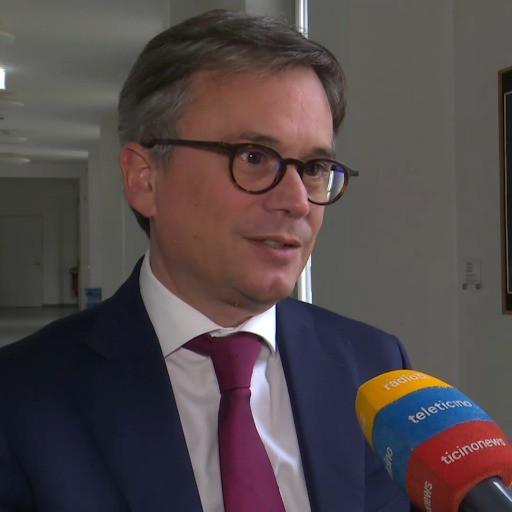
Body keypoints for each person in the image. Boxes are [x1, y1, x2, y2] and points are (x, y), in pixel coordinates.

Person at [0, 9, 419, 512]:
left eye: (314, 166)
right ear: (144, 178)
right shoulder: (21, 397)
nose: (297, 201)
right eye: (254, 157)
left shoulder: (375, 367)